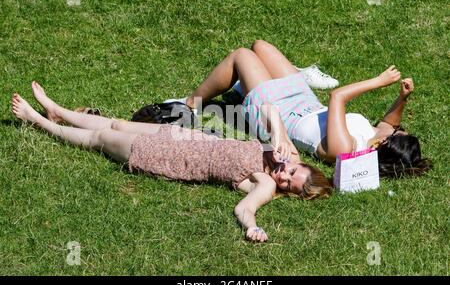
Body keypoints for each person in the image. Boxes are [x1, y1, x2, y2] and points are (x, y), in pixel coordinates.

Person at [11, 82, 332, 243]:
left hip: (166, 158)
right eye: (292, 172)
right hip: (179, 137)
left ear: (287, 192)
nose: (283, 177)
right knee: (117, 124)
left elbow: (244, 209)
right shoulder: (282, 154)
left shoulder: (264, 184)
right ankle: (57, 110)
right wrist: (276, 136)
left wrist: (253, 227)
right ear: (299, 164)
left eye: (288, 185)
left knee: (100, 140)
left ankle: (39, 122)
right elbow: (268, 108)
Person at [172, 40, 431, 177]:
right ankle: (243, 87)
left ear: (381, 146)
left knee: (242, 55)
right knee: (261, 46)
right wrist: (402, 97)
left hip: (276, 115)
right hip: (303, 101)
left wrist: (378, 82)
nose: (399, 128)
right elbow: (390, 123)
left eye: (398, 134)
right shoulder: (375, 135)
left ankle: (190, 103)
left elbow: (337, 97)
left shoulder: (345, 148)